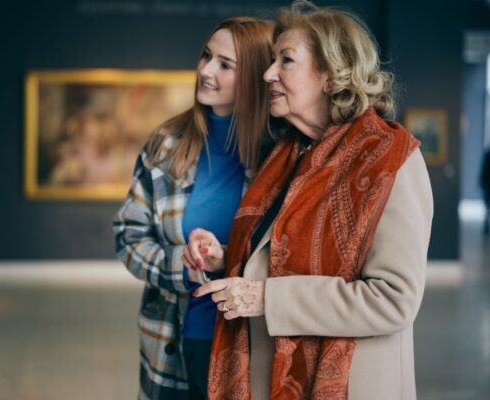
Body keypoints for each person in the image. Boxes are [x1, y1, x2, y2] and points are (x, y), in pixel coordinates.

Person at [188, 1, 434, 399]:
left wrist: (267, 297)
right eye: (271, 60)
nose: (268, 73)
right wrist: (227, 258)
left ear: (332, 73)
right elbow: (282, 255)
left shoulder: (392, 157)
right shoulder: (289, 153)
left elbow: (393, 300)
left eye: (285, 60)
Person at [113, 17, 274, 399]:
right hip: (173, 342)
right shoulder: (166, 144)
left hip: (248, 346)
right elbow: (128, 235)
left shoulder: (279, 154)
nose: (205, 70)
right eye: (206, 56)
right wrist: (181, 266)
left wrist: (227, 257)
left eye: (225, 64)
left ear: (252, 76)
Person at [481, 147, 490, 234]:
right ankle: (486, 226)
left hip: (487, 185)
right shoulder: (488, 153)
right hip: (488, 186)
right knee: (487, 208)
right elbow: (484, 170)